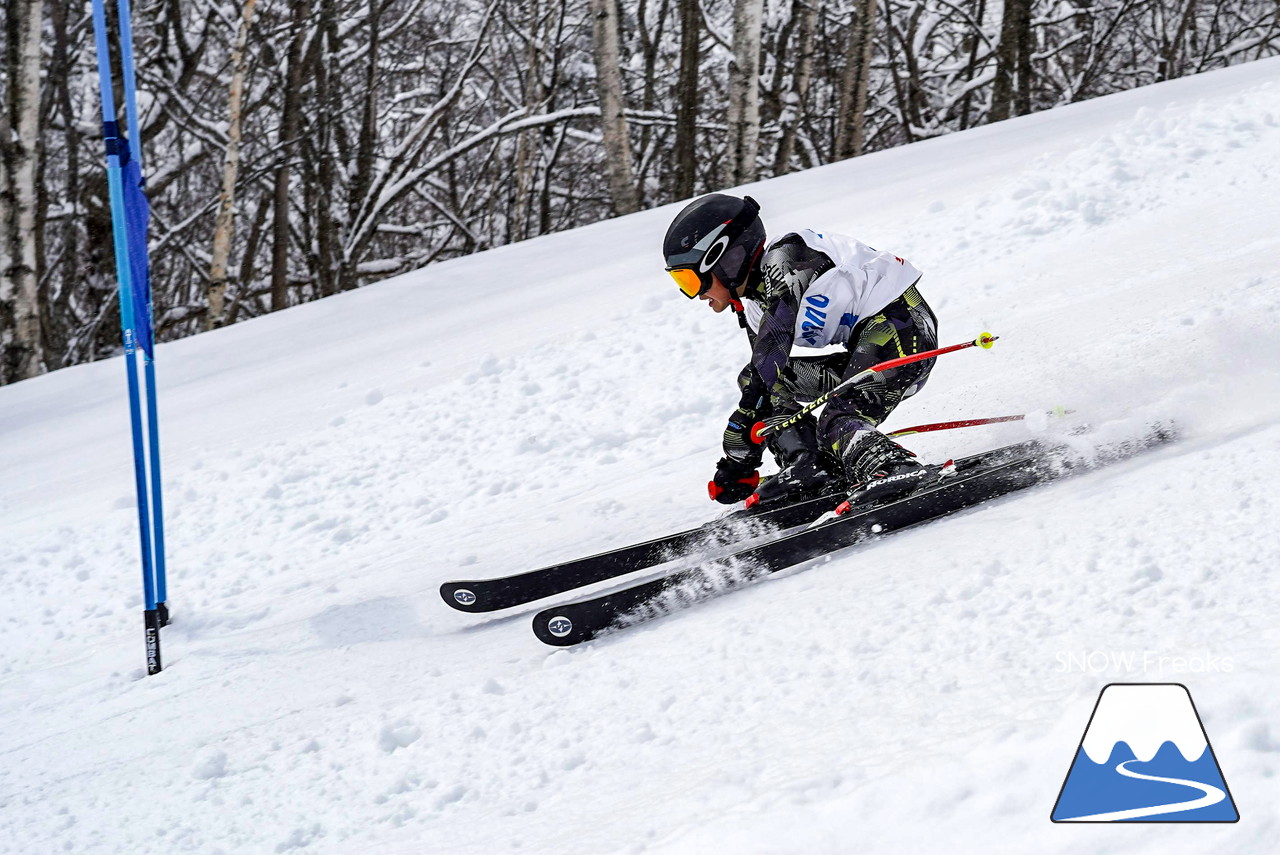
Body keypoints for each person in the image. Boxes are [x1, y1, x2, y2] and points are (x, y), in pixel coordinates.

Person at [662, 193, 940, 507]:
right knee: (763, 383)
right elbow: (764, 382)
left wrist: (740, 424)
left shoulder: (787, 256)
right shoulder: (753, 308)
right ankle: (809, 465)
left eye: (689, 279)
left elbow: (777, 336)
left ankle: (895, 468)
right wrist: (739, 462)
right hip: (863, 352)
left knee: (837, 418)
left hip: (904, 331)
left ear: (725, 258)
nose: (695, 295)